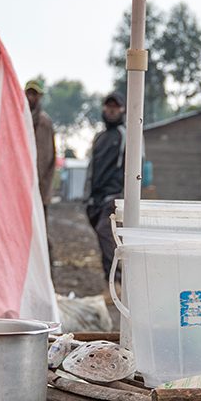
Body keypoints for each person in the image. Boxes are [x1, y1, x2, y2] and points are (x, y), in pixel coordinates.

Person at [84, 92, 129, 280]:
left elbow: (135, 168)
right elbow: (92, 168)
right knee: (105, 240)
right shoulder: (100, 137)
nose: (111, 111)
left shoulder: (126, 136)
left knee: (106, 234)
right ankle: (110, 282)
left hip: (114, 197)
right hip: (96, 199)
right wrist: (87, 197)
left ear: (122, 110)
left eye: (115, 107)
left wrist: (124, 197)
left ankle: (118, 282)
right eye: (108, 107)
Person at [25, 80, 56, 209]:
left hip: (39, 186)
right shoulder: (19, 118)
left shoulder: (44, 122)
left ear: (40, 96)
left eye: (34, 94)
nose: (31, 97)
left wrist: (40, 186)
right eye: (29, 93)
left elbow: (46, 158)